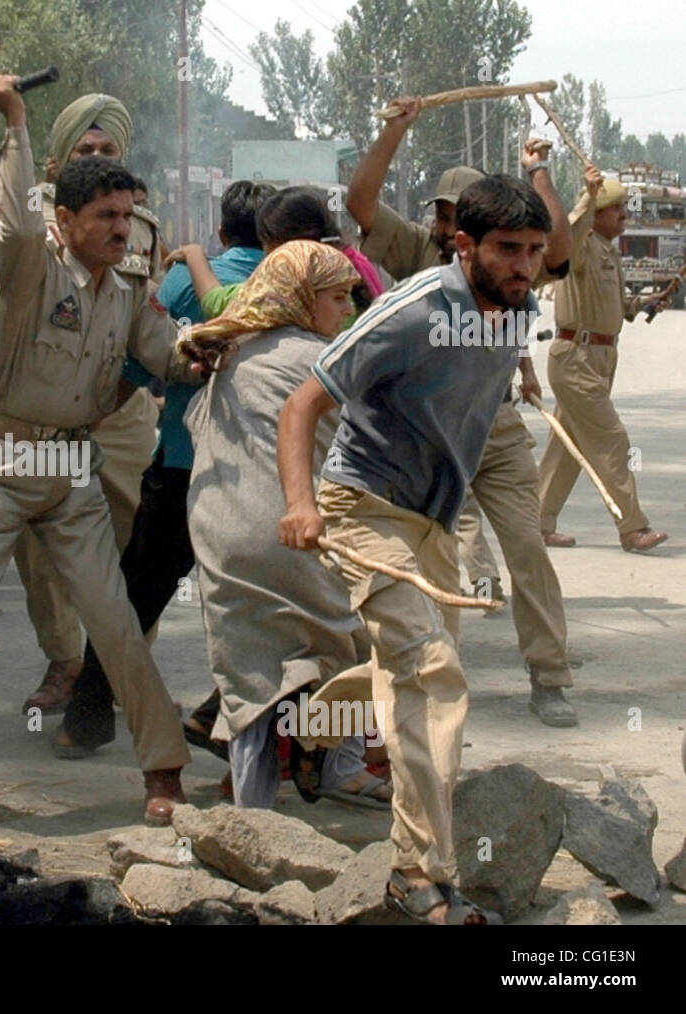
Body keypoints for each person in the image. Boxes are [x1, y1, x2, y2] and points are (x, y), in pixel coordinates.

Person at [0, 73, 195, 825]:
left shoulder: (130, 286)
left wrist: (209, 348)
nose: (120, 228)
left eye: (127, 215)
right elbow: (12, 222)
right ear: (64, 218)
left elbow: (166, 354)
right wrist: (16, 125)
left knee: (115, 621)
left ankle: (163, 769)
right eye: (105, 216)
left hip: (71, 470)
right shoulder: (30, 266)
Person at [276, 173, 553, 924]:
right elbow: (304, 402)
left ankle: (308, 726)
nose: (524, 266)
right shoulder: (415, 310)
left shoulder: (516, 309)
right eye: (507, 250)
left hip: (432, 520)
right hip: (364, 506)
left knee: (404, 666)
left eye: (534, 250)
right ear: (463, 244)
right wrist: (300, 504)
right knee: (432, 675)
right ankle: (420, 873)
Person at [346, 98, 583, 726]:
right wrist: (392, 132)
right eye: (448, 215)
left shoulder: (514, 261)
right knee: (424, 566)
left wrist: (539, 173)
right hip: (421, 436)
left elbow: (557, 251)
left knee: (528, 546)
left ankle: (549, 675)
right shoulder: (413, 254)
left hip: (494, 428)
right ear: (452, 229)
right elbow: (360, 204)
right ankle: (423, 688)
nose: (452, 224)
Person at [53, 178, 266, 759]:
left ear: (222, 233)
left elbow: (141, 360)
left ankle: (84, 720)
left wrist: (91, 415)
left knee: (136, 594)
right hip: (259, 479)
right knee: (266, 607)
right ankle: (225, 723)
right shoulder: (292, 281)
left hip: (180, 466)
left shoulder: (184, 280)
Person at [184, 240, 388, 809]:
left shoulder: (231, 349)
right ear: (303, 297)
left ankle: (252, 817)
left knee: (247, 677)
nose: (348, 308)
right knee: (357, 649)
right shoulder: (328, 361)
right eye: (337, 296)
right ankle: (331, 756)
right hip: (300, 534)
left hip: (223, 531)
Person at [18, 91, 166, 715]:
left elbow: (143, 326)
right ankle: (65, 661)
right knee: (39, 544)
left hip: (121, 407)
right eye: (86, 150)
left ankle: (116, 673)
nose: (99, 157)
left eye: (109, 151)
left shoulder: (140, 231)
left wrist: (118, 394)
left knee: (137, 540)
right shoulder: (23, 226)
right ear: (56, 165)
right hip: (41, 413)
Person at [537, 174, 671, 553]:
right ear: (596, 214)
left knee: (565, 448)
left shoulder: (609, 249)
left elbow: (611, 303)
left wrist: (642, 304)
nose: (624, 215)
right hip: (575, 358)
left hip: (600, 357)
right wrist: (588, 197)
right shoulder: (580, 245)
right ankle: (632, 528)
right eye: (617, 209)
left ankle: (539, 523)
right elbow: (568, 237)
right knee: (612, 440)